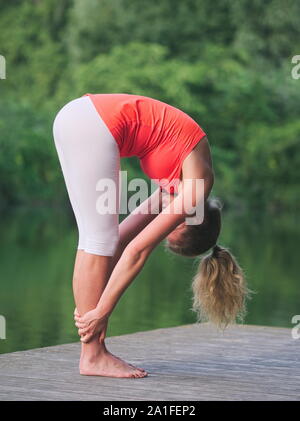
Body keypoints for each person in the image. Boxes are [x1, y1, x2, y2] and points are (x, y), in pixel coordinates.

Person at [52, 93, 250, 379]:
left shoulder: (175, 185)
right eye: (169, 230)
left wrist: (91, 303)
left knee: (99, 238)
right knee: (97, 240)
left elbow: (122, 241)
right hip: (93, 124)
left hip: (75, 116)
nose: (162, 225)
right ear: (187, 221)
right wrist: (102, 311)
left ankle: (93, 353)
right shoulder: (195, 188)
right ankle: (93, 356)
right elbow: (137, 251)